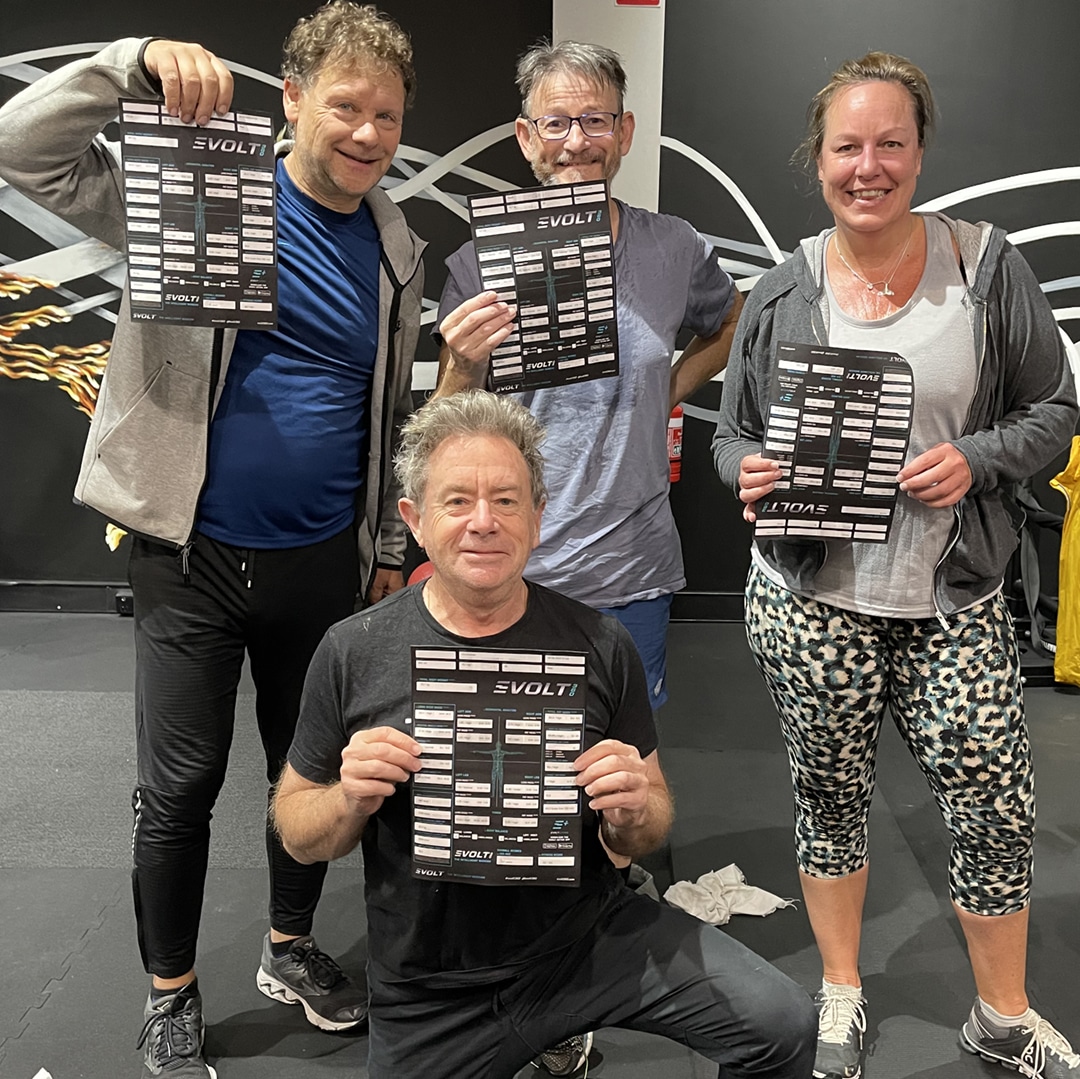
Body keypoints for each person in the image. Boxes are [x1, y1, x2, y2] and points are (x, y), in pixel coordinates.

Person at [0, 4, 424, 1076]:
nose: (368, 133)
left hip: (322, 561)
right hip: (189, 556)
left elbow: (385, 415)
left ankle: (290, 945)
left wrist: (383, 542)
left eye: (387, 115)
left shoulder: (397, 251)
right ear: (294, 98)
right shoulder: (195, 193)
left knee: (305, 769)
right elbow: (21, 150)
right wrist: (126, 62)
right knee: (180, 786)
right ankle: (171, 992)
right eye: (346, 106)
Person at [712, 52, 1078, 1079]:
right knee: (829, 798)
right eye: (847, 146)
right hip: (813, 600)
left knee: (996, 804)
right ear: (818, 156)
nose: (867, 166)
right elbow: (731, 434)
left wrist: (979, 457)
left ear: (919, 152)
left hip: (953, 596)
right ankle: (841, 987)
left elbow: (1055, 408)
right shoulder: (784, 286)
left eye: (890, 144)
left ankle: (1001, 1014)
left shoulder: (985, 266)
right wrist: (747, 470)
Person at [273, 389, 817, 1079]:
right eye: (457, 501)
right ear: (414, 520)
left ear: (537, 517)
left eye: (506, 501)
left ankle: (563, 1031)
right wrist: (349, 798)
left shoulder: (600, 642)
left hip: (587, 941)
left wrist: (631, 811)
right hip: (431, 985)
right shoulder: (354, 649)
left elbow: (650, 821)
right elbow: (298, 831)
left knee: (782, 1022)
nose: (483, 522)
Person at [434, 39, 744, 715]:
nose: (577, 142)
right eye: (556, 123)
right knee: (512, 761)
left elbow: (730, 320)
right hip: (508, 565)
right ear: (527, 138)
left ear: (624, 132)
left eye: (596, 120)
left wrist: (669, 388)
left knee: (621, 763)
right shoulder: (479, 261)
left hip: (631, 569)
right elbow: (439, 431)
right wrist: (461, 364)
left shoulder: (673, 246)